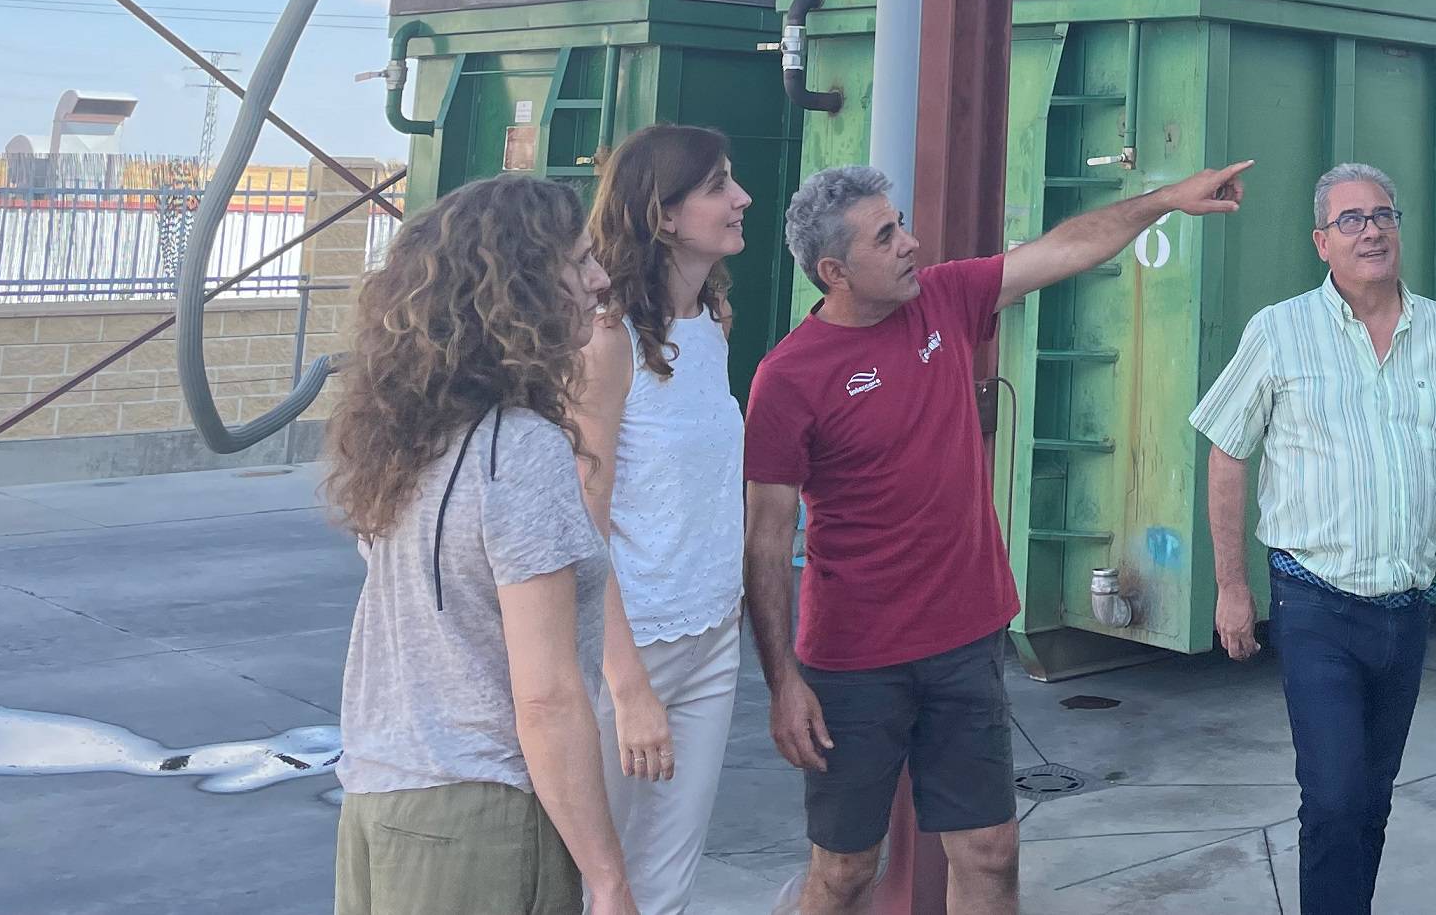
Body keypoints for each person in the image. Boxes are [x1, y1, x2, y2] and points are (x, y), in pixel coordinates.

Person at [743, 159, 1253, 915]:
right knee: (847, 871)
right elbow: (764, 540)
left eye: (902, 223)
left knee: (989, 852)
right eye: (886, 236)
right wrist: (783, 683)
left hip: (964, 644)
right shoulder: (788, 378)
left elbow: (1065, 248)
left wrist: (1165, 202)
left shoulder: (945, 299)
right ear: (833, 270)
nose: (911, 242)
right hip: (852, 665)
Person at [1188, 162, 1436, 915]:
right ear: (1320, 241)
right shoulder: (1279, 331)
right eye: (1350, 219)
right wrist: (1232, 585)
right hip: (1315, 604)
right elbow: (1226, 452)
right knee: (1335, 797)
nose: (1370, 229)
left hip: (1406, 607)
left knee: (1370, 800)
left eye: (1382, 215)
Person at [322, 174, 637, 915]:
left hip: (378, 803)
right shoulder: (518, 449)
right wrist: (608, 876)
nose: (599, 279)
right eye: (578, 261)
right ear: (520, 286)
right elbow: (547, 695)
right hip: (482, 818)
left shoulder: (405, 440)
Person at [570, 125, 757, 915]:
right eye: (718, 184)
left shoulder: (711, 324)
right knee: (593, 888)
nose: (741, 197)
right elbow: (584, 519)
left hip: (713, 636)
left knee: (667, 888)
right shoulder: (604, 339)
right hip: (631, 650)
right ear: (664, 213)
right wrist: (627, 684)